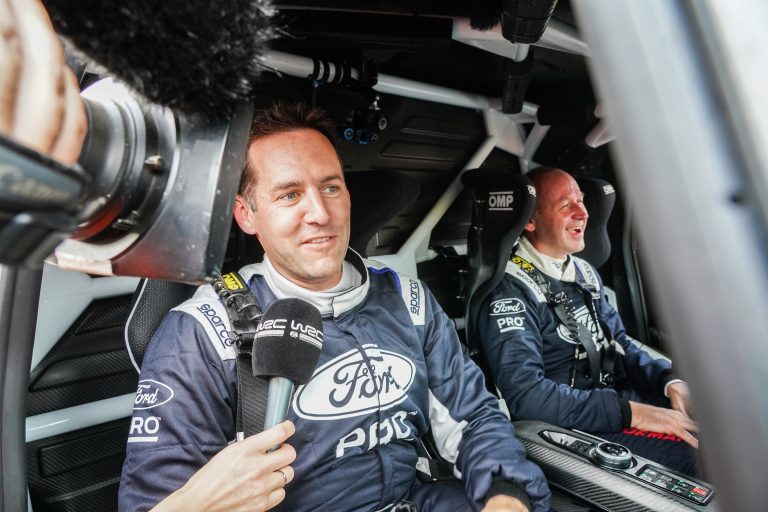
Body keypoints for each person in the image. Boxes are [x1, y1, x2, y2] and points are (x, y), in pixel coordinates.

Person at [118, 102, 552, 512]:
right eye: (289, 195)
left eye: (330, 187)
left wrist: (506, 494)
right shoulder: (201, 331)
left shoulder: (409, 300)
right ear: (246, 214)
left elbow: (474, 418)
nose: (320, 213)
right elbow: (154, 502)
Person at [477, 166, 699, 476]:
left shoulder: (583, 272)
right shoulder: (510, 292)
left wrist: (669, 381)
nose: (582, 213)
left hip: (610, 401)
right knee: (702, 455)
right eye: (565, 205)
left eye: (581, 201)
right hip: (567, 426)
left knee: (721, 420)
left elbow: (619, 344)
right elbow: (527, 397)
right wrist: (632, 413)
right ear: (530, 220)